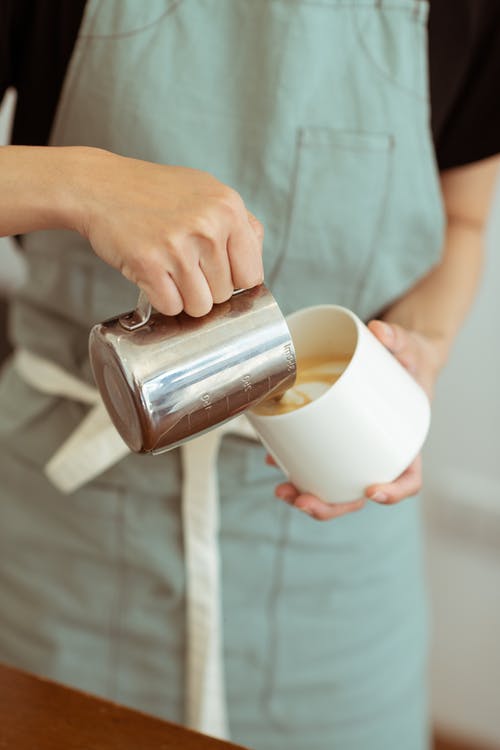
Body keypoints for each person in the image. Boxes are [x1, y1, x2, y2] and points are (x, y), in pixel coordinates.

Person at [0, 1, 499, 748]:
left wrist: (420, 345)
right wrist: (81, 181)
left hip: (334, 565)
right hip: (62, 552)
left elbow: (462, 220)